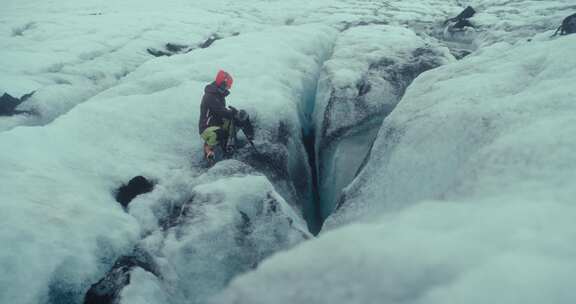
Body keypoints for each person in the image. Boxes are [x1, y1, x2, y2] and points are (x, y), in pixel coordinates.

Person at [198, 70, 240, 160]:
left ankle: (228, 147)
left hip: (216, 124)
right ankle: (209, 154)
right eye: (227, 87)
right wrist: (231, 112)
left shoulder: (219, 96)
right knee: (219, 133)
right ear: (222, 84)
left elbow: (222, 112)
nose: (227, 89)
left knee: (233, 122)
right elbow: (220, 111)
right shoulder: (210, 96)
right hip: (206, 128)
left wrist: (234, 114)